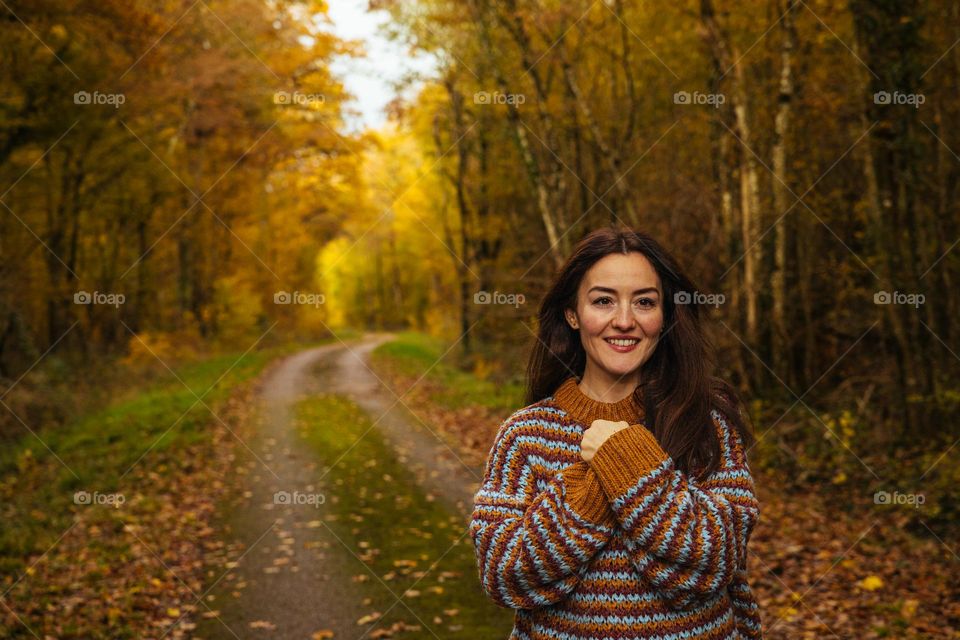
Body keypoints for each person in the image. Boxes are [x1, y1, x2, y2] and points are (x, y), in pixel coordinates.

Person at [470, 226, 763, 639]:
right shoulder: (524, 435)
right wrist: (588, 494)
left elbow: (717, 560)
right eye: (603, 300)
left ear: (664, 317)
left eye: (644, 302)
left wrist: (626, 459)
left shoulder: (707, 422)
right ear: (572, 313)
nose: (624, 321)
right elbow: (504, 577)